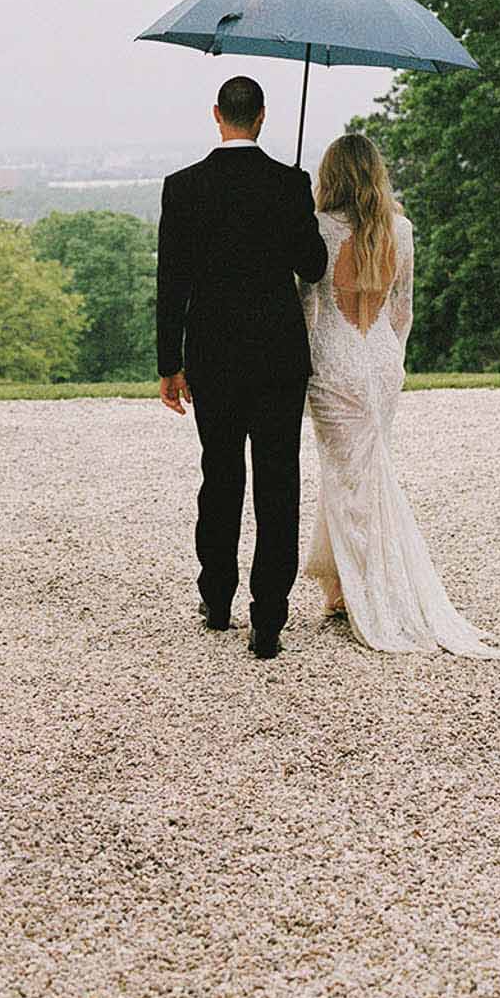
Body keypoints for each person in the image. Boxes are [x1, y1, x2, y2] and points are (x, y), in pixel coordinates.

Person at [301, 132, 500, 657]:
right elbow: (403, 310)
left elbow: (308, 308)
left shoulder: (319, 231)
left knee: (345, 476)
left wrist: (302, 361)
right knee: (366, 473)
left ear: (332, 176)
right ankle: (341, 585)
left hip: (334, 359)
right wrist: (392, 359)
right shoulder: (402, 230)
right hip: (380, 358)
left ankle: (369, 591)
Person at [156, 75, 329, 659]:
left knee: (221, 475)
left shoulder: (182, 188)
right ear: (261, 118)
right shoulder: (290, 183)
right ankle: (270, 617)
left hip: (213, 356)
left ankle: (217, 595)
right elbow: (314, 266)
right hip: (278, 356)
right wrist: (295, 214)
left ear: (217, 115)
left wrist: (168, 364)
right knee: (278, 481)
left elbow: (171, 285)